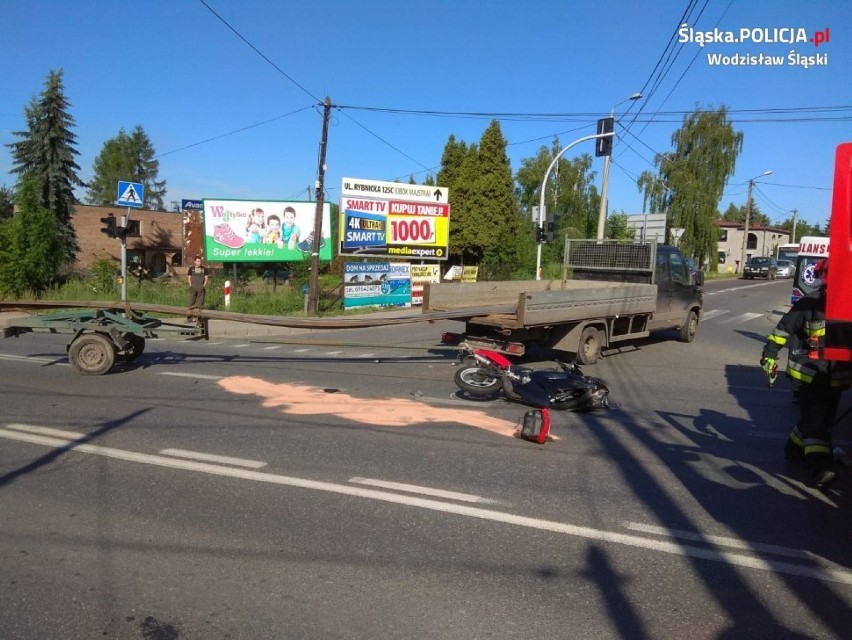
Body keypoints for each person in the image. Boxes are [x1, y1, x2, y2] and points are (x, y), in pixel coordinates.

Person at [761, 258, 852, 487]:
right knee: (816, 424)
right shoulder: (808, 304)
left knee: (822, 420)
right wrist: (769, 355)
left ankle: (793, 450)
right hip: (808, 376)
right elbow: (782, 331)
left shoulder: (847, 306)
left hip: (835, 379)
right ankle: (821, 467)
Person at [187, 255, 209, 321]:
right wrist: (190, 285)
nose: (200, 262)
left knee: (200, 304)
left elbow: (206, 278)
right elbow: (189, 277)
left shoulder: (204, 269)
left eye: (200, 261)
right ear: (195, 262)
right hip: (193, 288)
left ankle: (199, 319)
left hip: (201, 288)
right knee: (191, 303)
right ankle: (189, 318)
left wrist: (203, 286)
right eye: (198, 261)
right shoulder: (191, 269)